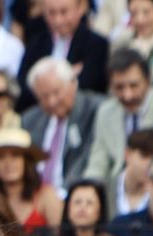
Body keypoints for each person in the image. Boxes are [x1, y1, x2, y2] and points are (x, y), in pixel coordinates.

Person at [83, 49, 153, 186]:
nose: (128, 95)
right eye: (119, 87)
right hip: (114, 190)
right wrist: (90, 191)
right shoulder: (106, 111)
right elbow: (98, 161)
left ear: (148, 80)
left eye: (134, 86)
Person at [21, 57, 103, 191]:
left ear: (73, 84)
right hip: (35, 197)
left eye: (56, 92)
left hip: (72, 193)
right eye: (44, 97)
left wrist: (63, 194)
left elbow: (86, 160)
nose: (51, 102)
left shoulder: (95, 110)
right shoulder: (30, 120)